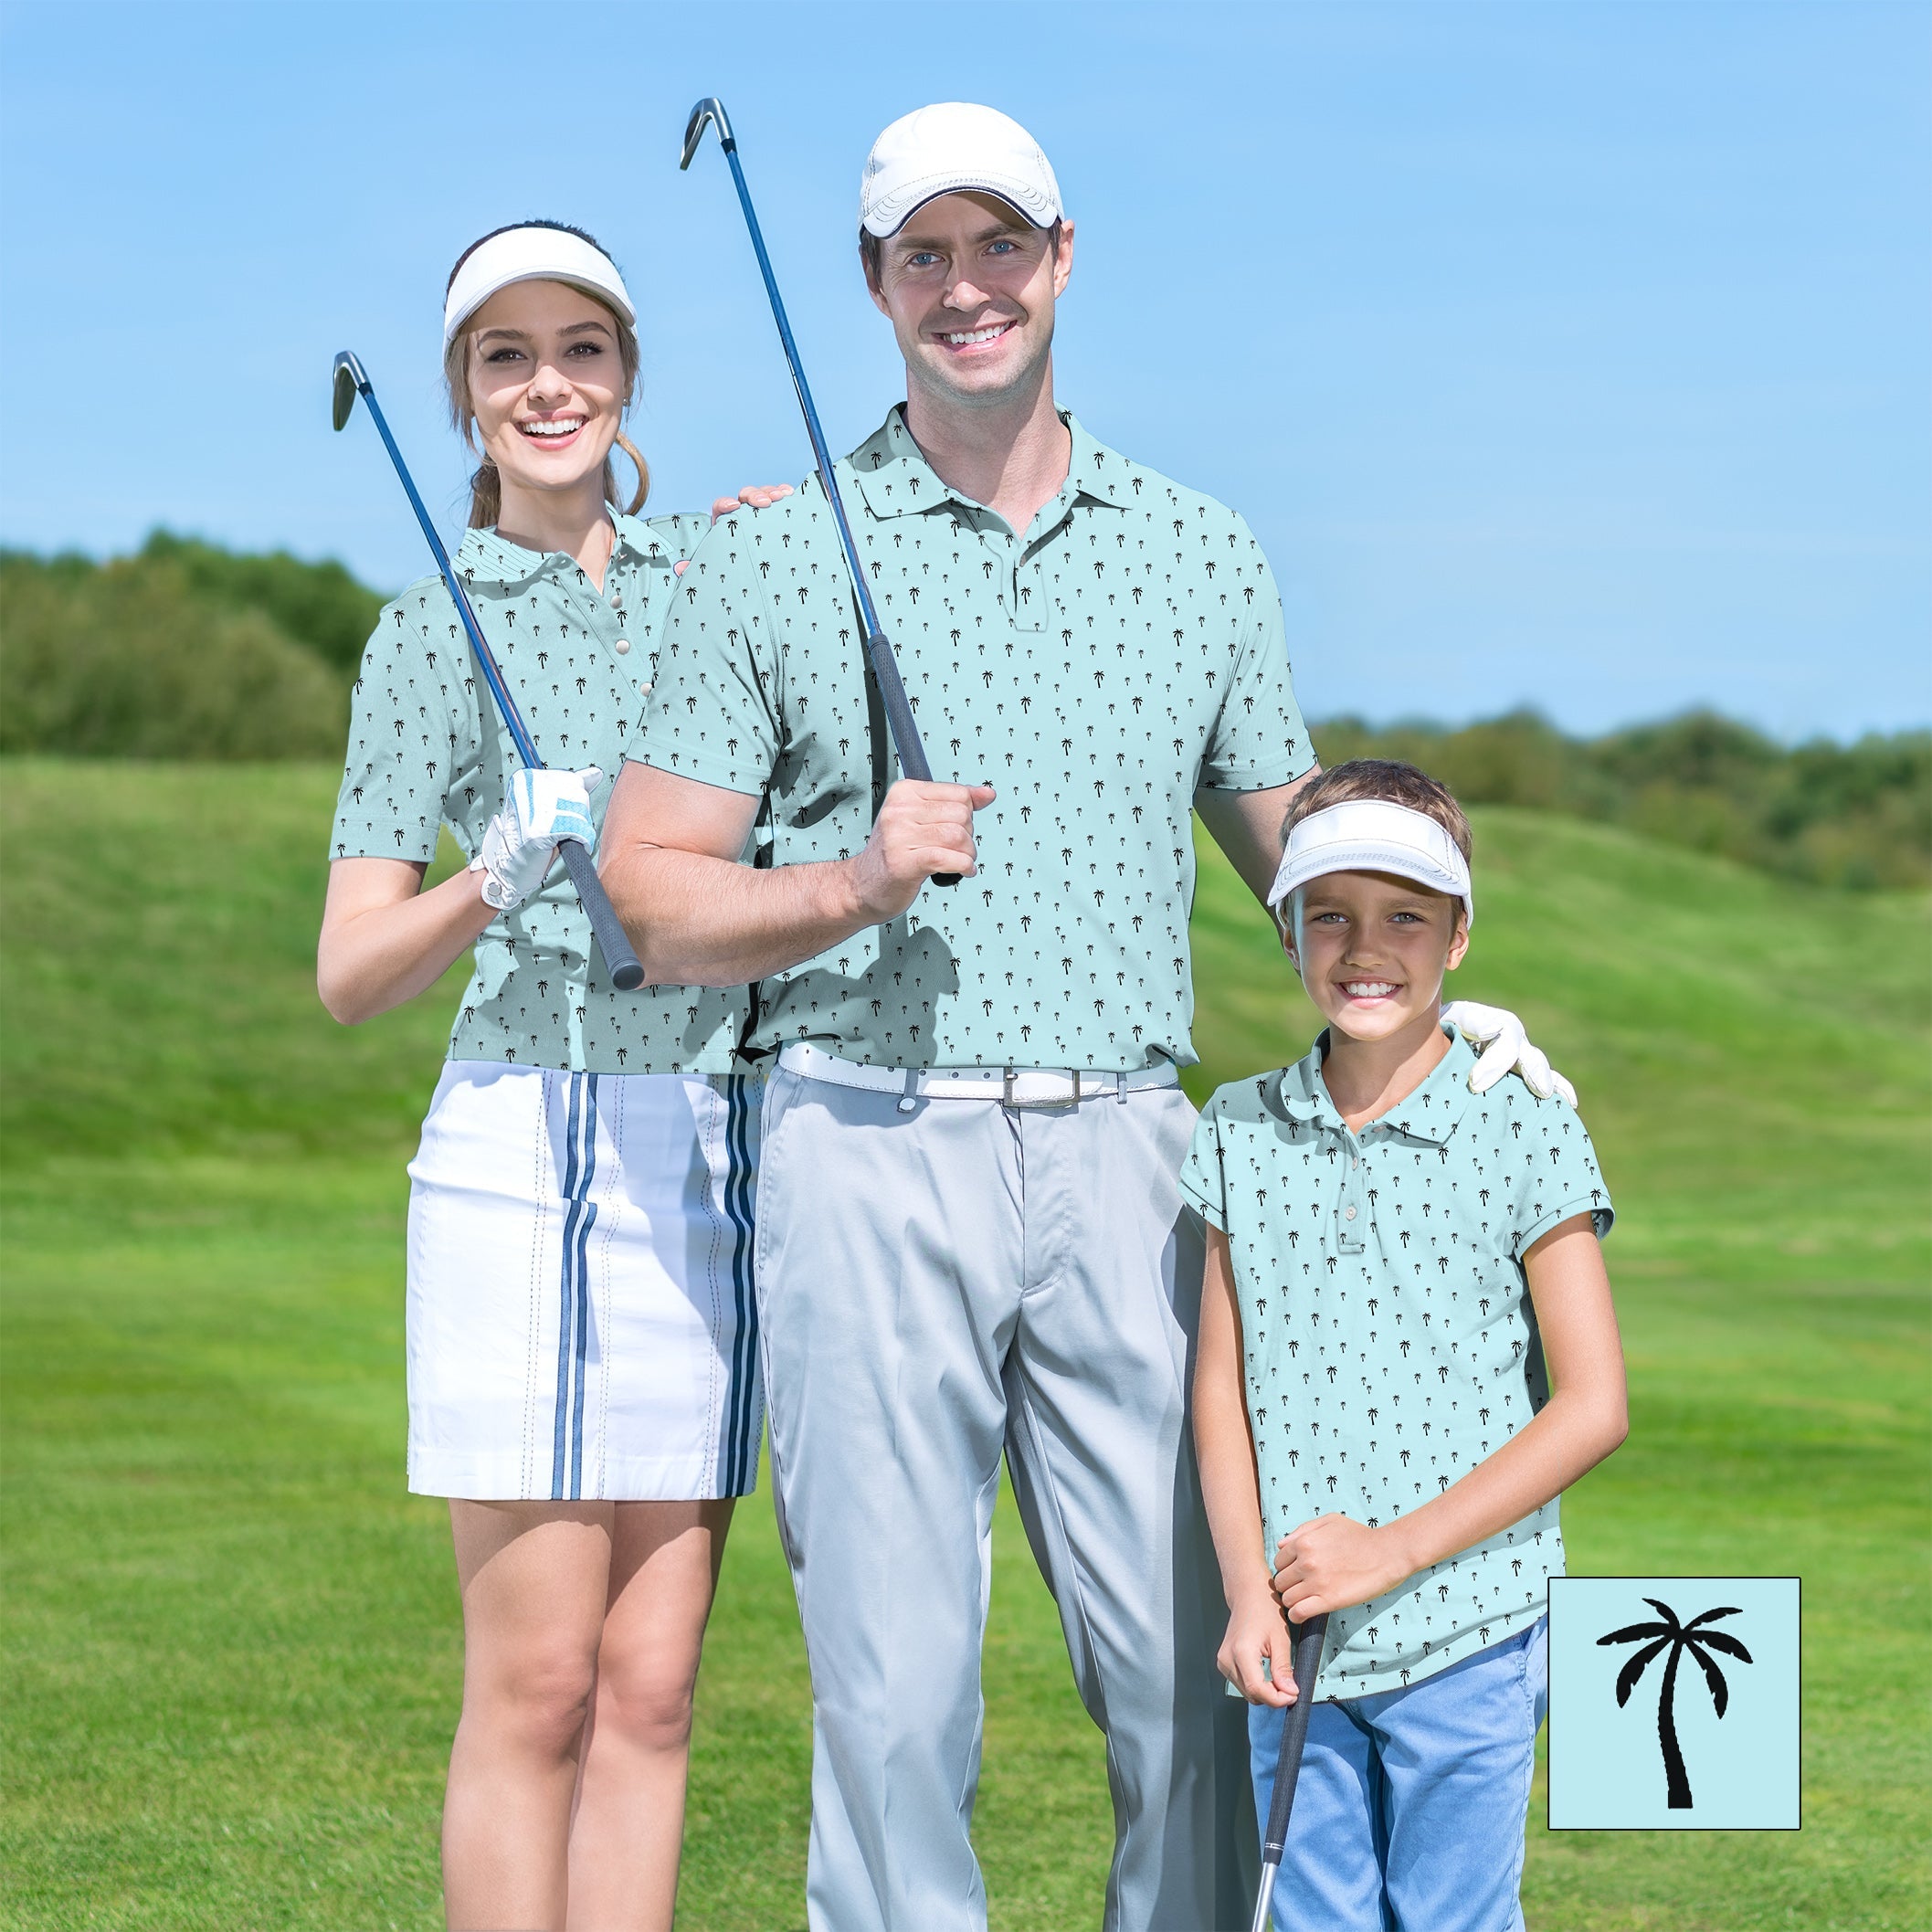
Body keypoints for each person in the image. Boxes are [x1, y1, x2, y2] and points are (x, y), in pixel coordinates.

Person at [599, 106, 1562, 1931]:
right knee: (894, 1698)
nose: (967, 288)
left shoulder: (1200, 554)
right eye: (922, 255)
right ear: (874, 285)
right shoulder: (774, 551)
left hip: (1135, 1158)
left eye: (999, 246)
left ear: (1061, 256)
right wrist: (843, 886)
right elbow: (650, 888)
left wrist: (1444, 988)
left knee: (1203, 1667)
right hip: (860, 1135)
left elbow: (1299, 854)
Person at [317, 220, 789, 1932]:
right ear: (462, 395)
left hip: (701, 1152)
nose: (548, 385)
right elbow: (350, 971)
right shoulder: (421, 632)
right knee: (538, 1688)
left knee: (654, 1686)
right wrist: (490, 875)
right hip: (518, 1147)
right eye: (506, 356)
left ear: (627, 376)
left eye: (579, 349)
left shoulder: (723, 586)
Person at [1183, 759, 1629, 1932]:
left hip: (1471, 1624)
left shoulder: (1524, 1122)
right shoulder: (1236, 1126)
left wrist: (1392, 1553)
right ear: (1286, 929)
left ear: (1458, 938)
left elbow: (1593, 1406)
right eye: (1328, 913)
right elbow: (1218, 1392)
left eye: (1404, 917)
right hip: (1294, 1636)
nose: (1363, 946)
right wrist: (1244, 1594)